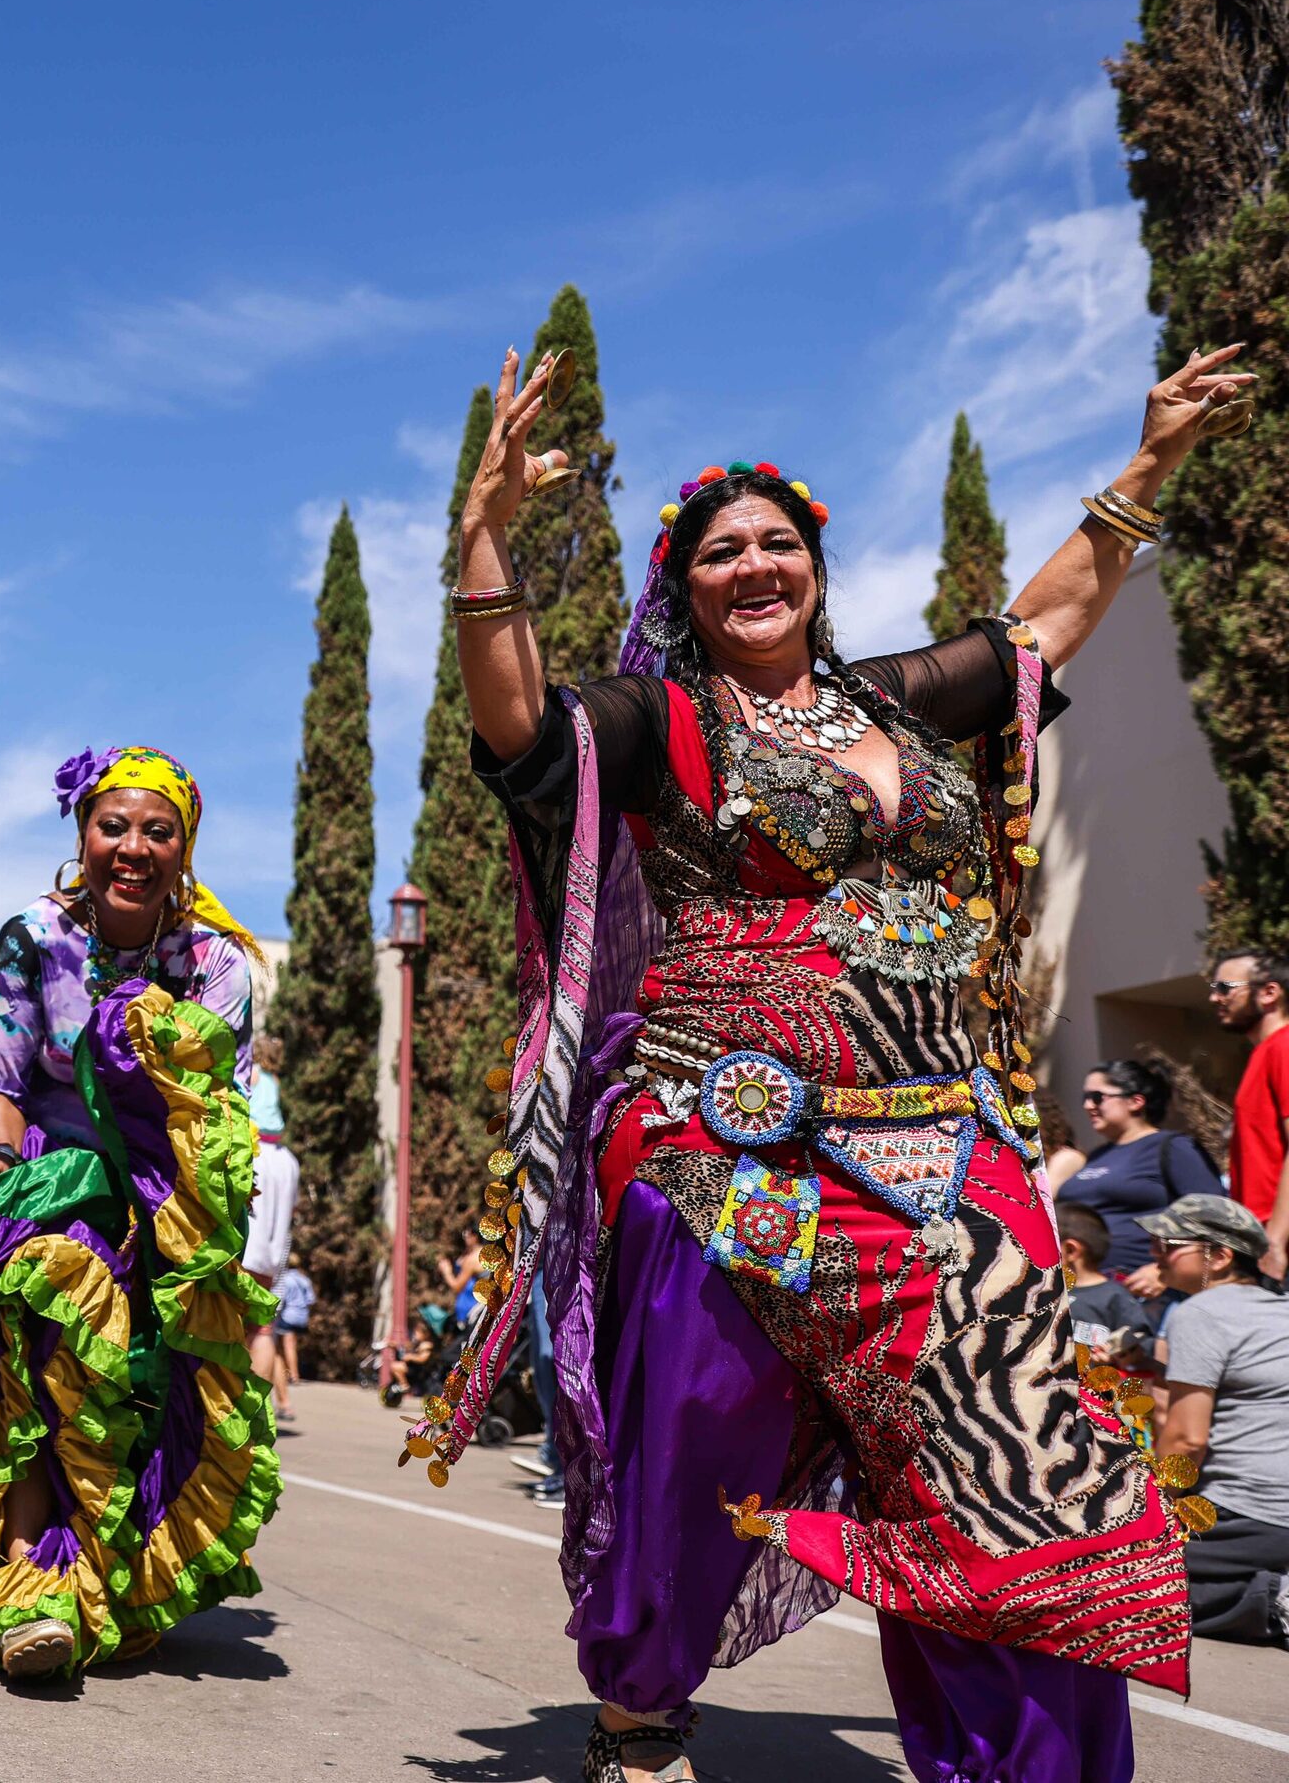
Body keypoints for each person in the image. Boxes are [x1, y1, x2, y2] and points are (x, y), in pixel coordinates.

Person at [414, 340, 1251, 1781]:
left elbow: (1042, 620)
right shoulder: (664, 720)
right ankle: (641, 1700)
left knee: (1012, 1464)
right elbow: (524, 730)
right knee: (697, 1434)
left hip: (945, 1139)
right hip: (716, 1137)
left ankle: (1029, 1767)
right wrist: (481, 543)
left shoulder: (901, 704)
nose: (753, 564)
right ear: (683, 590)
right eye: (720, 550)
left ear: (814, 564)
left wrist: (1151, 457)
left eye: (777, 541)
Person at [0, 745, 280, 1680]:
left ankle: (103, 1576)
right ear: (82, 834)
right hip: (55, 1181)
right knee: (48, 1351)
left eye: (157, 831)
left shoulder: (216, 964)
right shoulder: (32, 937)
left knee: (145, 1388)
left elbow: (223, 1116)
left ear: (186, 848)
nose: (133, 847)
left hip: (171, 1192)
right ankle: (31, 1588)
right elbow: (2, 1083)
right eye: (113, 826)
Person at [1145, 1194, 1289, 1648]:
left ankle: (1273, 1601)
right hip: (1271, 1519)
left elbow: (1187, 1441)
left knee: (1117, 1585)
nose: (1155, 1255)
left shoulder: (1203, 1311)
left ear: (1221, 1256)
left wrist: (1148, 1521)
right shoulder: (1278, 1310)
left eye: (1168, 1243)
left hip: (1248, 1515)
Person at [1060, 1060, 1225, 1297]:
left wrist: (1162, 1270)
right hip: (1087, 1293)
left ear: (1136, 1101)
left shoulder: (1173, 1147)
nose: (1088, 1105)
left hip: (1143, 1293)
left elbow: (1212, 1215)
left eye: (1097, 1097)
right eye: (1084, 1098)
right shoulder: (1096, 1156)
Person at [1213, 951, 1289, 1281]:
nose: (1214, 997)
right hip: (1258, 1238)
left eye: (1226, 987)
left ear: (1269, 992)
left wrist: (1276, 1238)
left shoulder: (1283, 1047)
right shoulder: (1264, 1054)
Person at [1057, 1203, 1158, 1367]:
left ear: (1070, 1250)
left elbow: (1143, 1344)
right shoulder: (1045, 1293)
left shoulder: (1114, 1295)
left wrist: (1121, 1355)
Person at [243, 1126, 300, 1414]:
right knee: (264, 1332)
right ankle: (255, 1410)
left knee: (231, 1330)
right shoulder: (289, 1161)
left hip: (244, 1249)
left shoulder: (250, 1146)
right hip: (274, 1256)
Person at [269, 1251, 315, 1423]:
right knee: (290, 1345)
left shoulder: (286, 1279)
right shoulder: (304, 1279)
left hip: (287, 1316)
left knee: (283, 1347)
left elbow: (282, 1299)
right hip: (302, 1316)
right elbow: (311, 1299)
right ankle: (293, 1375)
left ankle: (293, 1375)